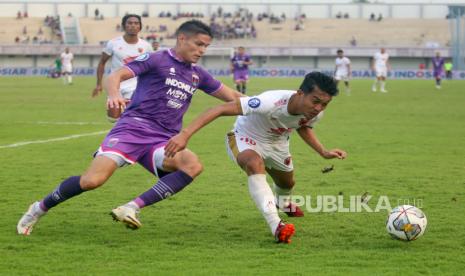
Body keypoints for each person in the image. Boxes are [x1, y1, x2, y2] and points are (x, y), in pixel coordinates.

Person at [17, 20, 242, 236]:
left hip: (163, 139)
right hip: (132, 130)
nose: (202, 50)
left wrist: (266, 103)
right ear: (182, 39)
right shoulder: (157, 59)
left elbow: (232, 96)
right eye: (199, 44)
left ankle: (131, 207)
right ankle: (38, 208)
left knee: (191, 165)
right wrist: (114, 94)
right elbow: (116, 75)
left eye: (206, 46)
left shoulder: (197, 74)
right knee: (91, 181)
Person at [163, 72, 347, 243]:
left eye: (324, 104)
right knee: (253, 163)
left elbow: (303, 125)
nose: (318, 108)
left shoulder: (316, 113)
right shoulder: (268, 102)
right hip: (245, 138)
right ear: (300, 93)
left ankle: (283, 203)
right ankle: (276, 225)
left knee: (287, 183)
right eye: (315, 101)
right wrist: (184, 135)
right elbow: (219, 109)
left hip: (277, 144)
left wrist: (323, 151)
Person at [91, 14, 152, 121]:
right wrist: (98, 84)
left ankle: (125, 136)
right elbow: (102, 63)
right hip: (115, 86)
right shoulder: (113, 43)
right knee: (113, 118)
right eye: (130, 23)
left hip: (135, 87)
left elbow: (152, 66)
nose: (133, 26)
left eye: (136, 23)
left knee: (131, 119)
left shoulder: (146, 46)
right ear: (124, 26)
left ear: (140, 27)